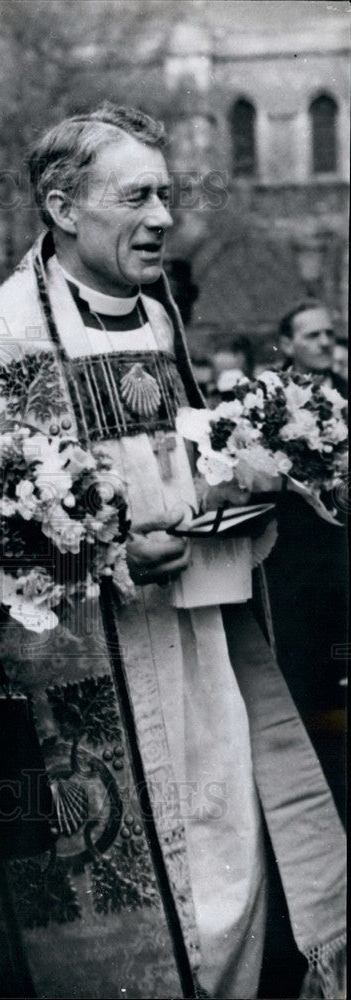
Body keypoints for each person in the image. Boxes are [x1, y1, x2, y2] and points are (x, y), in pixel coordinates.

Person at [0, 103, 346, 999]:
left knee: (227, 863)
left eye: (164, 195)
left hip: (199, 654)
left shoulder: (159, 321)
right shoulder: (2, 346)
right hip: (89, 682)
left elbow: (171, 460)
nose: (163, 217)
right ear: (61, 207)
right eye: (136, 197)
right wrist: (113, 555)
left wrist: (236, 486)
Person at [264, 299, 348, 817]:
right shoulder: (267, 404)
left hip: (343, 559)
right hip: (294, 566)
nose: (323, 342)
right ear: (288, 344)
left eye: (329, 334)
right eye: (312, 335)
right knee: (302, 681)